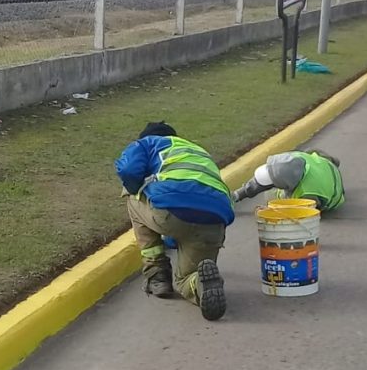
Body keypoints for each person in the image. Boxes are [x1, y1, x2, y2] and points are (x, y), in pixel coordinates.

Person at [115, 122, 234, 321]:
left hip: (173, 213)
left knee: (131, 195)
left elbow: (128, 170)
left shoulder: (148, 143)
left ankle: (157, 274)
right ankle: (198, 283)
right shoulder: (197, 151)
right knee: (185, 278)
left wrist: (137, 187)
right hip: (214, 220)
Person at [231, 149, 344, 211]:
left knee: (270, 196)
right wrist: (237, 195)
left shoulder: (307, 194)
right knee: (312, 151)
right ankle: (333, 162)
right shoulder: (294, 158)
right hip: (326, 165)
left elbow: (305, 214)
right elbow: (261, 181)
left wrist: (271, 210)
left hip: (336, 192)